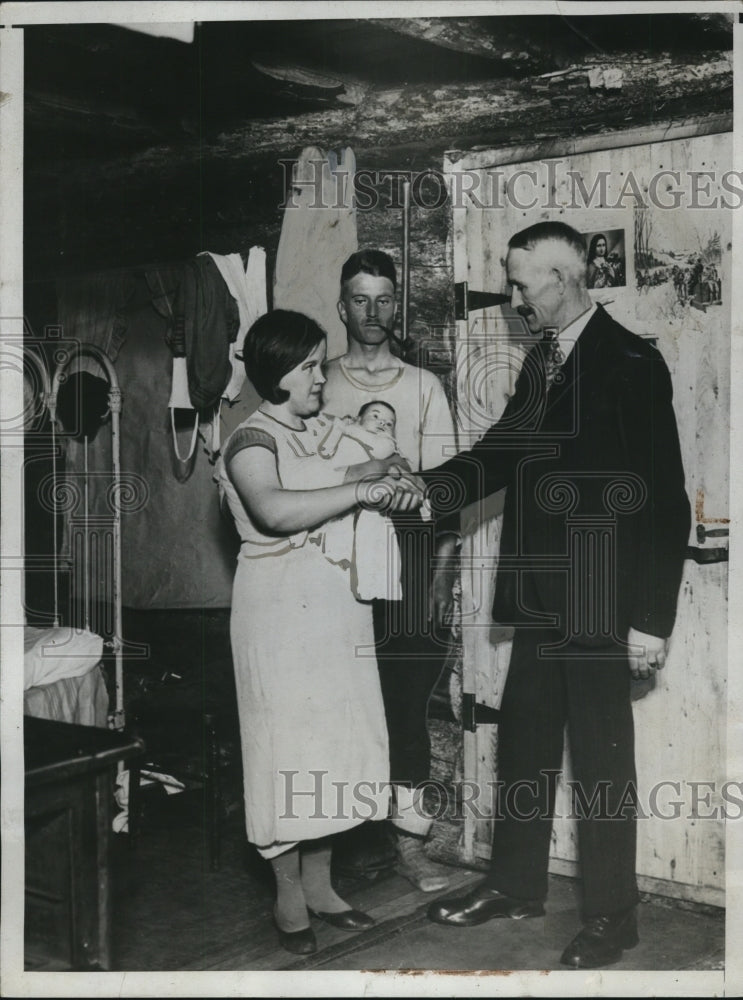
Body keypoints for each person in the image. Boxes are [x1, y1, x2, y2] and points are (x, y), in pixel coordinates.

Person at [420, 222, 690, 969]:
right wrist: (426, 491)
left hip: (604, 600)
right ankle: (514, 885)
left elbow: (666, 502)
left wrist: (648, 620)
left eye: (519, 284)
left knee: (602, 762)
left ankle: (612, 918)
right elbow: (500, 453)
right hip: (541, 596)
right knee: (525, 745)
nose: (512, 299)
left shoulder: (629, 362)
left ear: (563, 278)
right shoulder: (544, 360)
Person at [215, 309, 422, 956]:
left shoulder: (328, 428)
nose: (319, 379)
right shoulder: (249, 440)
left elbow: (392, 471)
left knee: (332, 742)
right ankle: (288, 897)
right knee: (285, 747)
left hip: (335, 607)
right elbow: (274, 509)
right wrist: (361, 489)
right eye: (308, 367)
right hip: (277, 611)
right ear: (275, 371)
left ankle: (324, 887)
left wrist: (397, 486)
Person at [323, 249, 459, 893]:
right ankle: (346, 840)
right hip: (335, 558)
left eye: (384, 298)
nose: (373, 312)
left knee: (404, 699)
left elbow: (449, 489)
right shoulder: (317, 380)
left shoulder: (421, 386)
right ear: (341, 305)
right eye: (360, 298)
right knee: (344, 699)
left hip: (407, 557)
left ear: (397, 303)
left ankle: (410, 844)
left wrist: (441, 574)